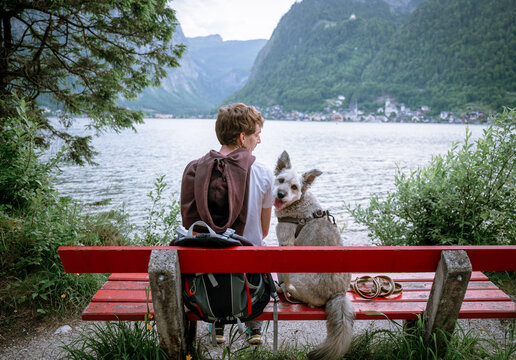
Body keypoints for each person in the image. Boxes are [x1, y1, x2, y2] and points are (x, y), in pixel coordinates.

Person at [180, 103, 274, 345]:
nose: (259, 141)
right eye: (256, 135)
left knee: (214, 253)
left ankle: (217, 322)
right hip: (248, 277)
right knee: (258, 245)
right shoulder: (262, 172)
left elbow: (191, 228)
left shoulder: (194, 169)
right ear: (243, 137)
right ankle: (254, 325)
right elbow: (262, 231)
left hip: (207, 276)